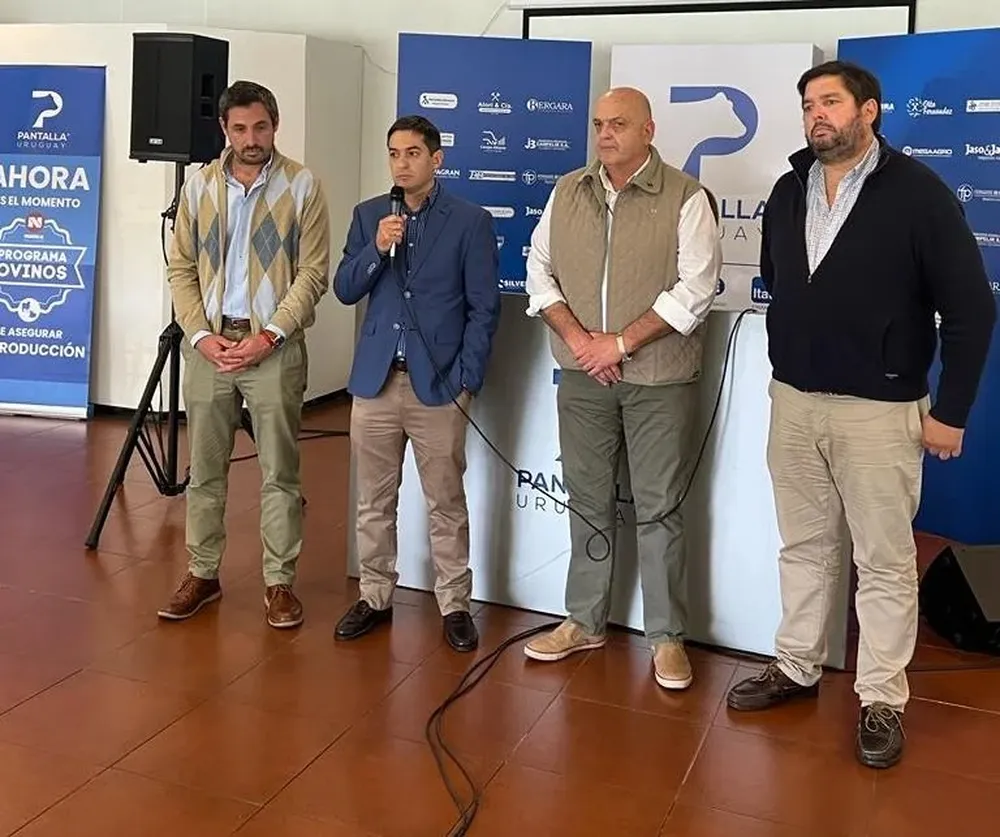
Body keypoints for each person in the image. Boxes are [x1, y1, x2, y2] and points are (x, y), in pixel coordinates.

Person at [725, 61, 996, 768]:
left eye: (832, 102)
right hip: (795, 402)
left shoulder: (919, 194)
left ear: (869, 111)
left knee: (882, 559)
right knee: (805, 545)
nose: (818, 114)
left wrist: (953, 410)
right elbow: (780, 283)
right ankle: (796, 664)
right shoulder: (788, 191)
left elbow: (971, 309)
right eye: (809, 104)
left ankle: (881, 696)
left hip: (882, 410)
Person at [521, 87, 722, 690]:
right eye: (599, 124)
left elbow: (696, 288)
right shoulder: (567, 192)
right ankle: (583, 620)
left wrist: (620, 344)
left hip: (658, 382)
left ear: (649, 131)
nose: (605, 134)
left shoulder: (687, 197)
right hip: (583, 376)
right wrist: (586, 343)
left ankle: (665, 636)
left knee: (659, 507)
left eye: (620, 124)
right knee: (586, 501)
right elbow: (539, 270)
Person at [158, 80, 331, 629]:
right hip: (210, 345)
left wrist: (270, 335)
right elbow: (180, 268)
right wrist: (200, 336)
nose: (251, 139)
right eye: (239, 129)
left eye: (260, 127)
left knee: (280, 473)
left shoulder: (303, 185)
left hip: (273, 348)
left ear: (274, 125)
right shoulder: (198, 187)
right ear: (225, 131)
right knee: (205, 471)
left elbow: (313, 273)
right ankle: (202, 573)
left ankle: (279, 583)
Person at [332, 115, 501, 652]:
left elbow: (483, 309)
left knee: (445, 501)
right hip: (376, 383)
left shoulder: (470, 221)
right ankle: (375, 594)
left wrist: (466, 381)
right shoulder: (368, 217)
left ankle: (454, 603)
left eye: (411, 153)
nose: (401, 163)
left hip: (438, 387)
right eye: (393, 154)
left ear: (436, 159)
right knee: (373, 500)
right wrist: (376, 249)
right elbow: (344, 288)